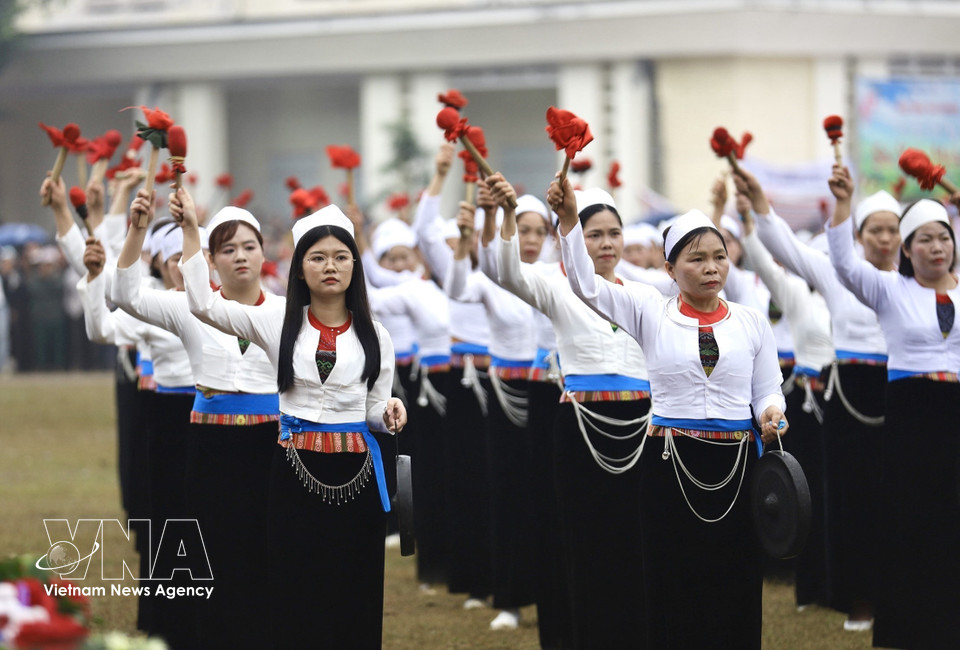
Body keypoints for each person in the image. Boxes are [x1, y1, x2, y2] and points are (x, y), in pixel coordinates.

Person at [551, 174, 786, 649]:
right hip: (670, 461)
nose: (711, 268)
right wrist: (570, 220)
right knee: (673, 579)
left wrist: (771, 413)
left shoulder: (750, 321)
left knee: (736, 576)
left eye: (718, 257)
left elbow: (767, 388)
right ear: (670, 267)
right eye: (696, 259)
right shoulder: (649, 310)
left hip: (738, 463)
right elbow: (584, 285)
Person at [175, 189, 406, 647]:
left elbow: (374, 409)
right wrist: (188, 233)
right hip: (294, 475)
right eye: (317, 257)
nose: (330, 266)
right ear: (299, 266)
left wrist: (390, 411)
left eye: (341, 256)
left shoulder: (375, 334)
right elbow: (203, 305)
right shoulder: (277, 322)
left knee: (354, 593)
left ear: (354, 266)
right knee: (296, 593)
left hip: (357, 477)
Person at [114, 187, 281, 649]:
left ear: (265, 253)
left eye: (249, 246)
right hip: (211, 447)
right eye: (228, 249)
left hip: (275, 447)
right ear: (210, 258)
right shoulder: (191, 310)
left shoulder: (289, 314)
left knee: (268, 554)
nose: (240, 257)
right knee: (212, 556)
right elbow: (122, 293)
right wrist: (138, 227)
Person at [492, 175, 650, 648]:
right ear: (574, 237)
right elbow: (505, 272)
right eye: (593, 233)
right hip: (581, 428)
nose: (605, 243)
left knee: (632, 544)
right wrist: (505, 216)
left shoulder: (644, 294)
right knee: (582, 543)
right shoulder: (556, 287)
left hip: (640, 429)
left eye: (613, 233)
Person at [735, 167, 895, 628]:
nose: (884, 239)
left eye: (892, 230)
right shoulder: (838, 277)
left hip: (902, 391)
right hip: (847, 396)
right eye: (875, 230)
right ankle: (858, 597)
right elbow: (783, 249)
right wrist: (759, 207)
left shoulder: (914, 278)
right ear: (858, 237)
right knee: (852, 496)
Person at [825, 164, 960, 649]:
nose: (937, 248)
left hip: (956, 410)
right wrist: (844, 203)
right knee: (911, 522)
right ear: (905, 249)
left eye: (943, 237)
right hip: (911, 412)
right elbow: (843, 263)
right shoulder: (890, 290)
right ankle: (909, 629)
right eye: (924, 239)